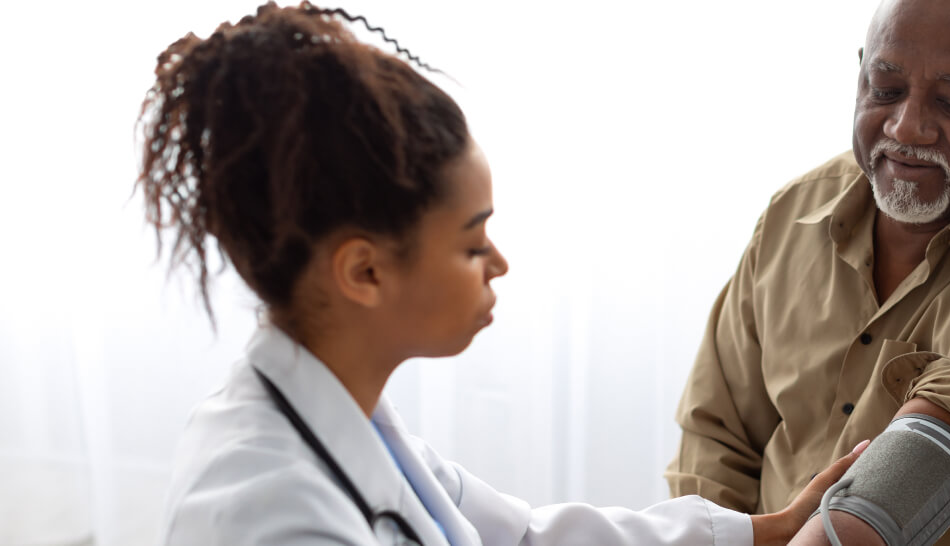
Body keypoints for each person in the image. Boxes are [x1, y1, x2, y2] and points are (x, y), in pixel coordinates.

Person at [138, 3, 864, 545]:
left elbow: (524, 537)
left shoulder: (354, 425)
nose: (500, 264)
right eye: (471, 242)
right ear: (364, 271)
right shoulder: (274, 513)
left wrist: (765, 531)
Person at [666, 0, 950, 544]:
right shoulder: (793, 214)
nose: (906, 125)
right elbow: (715, 437)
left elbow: (879, 508)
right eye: (885, 89)